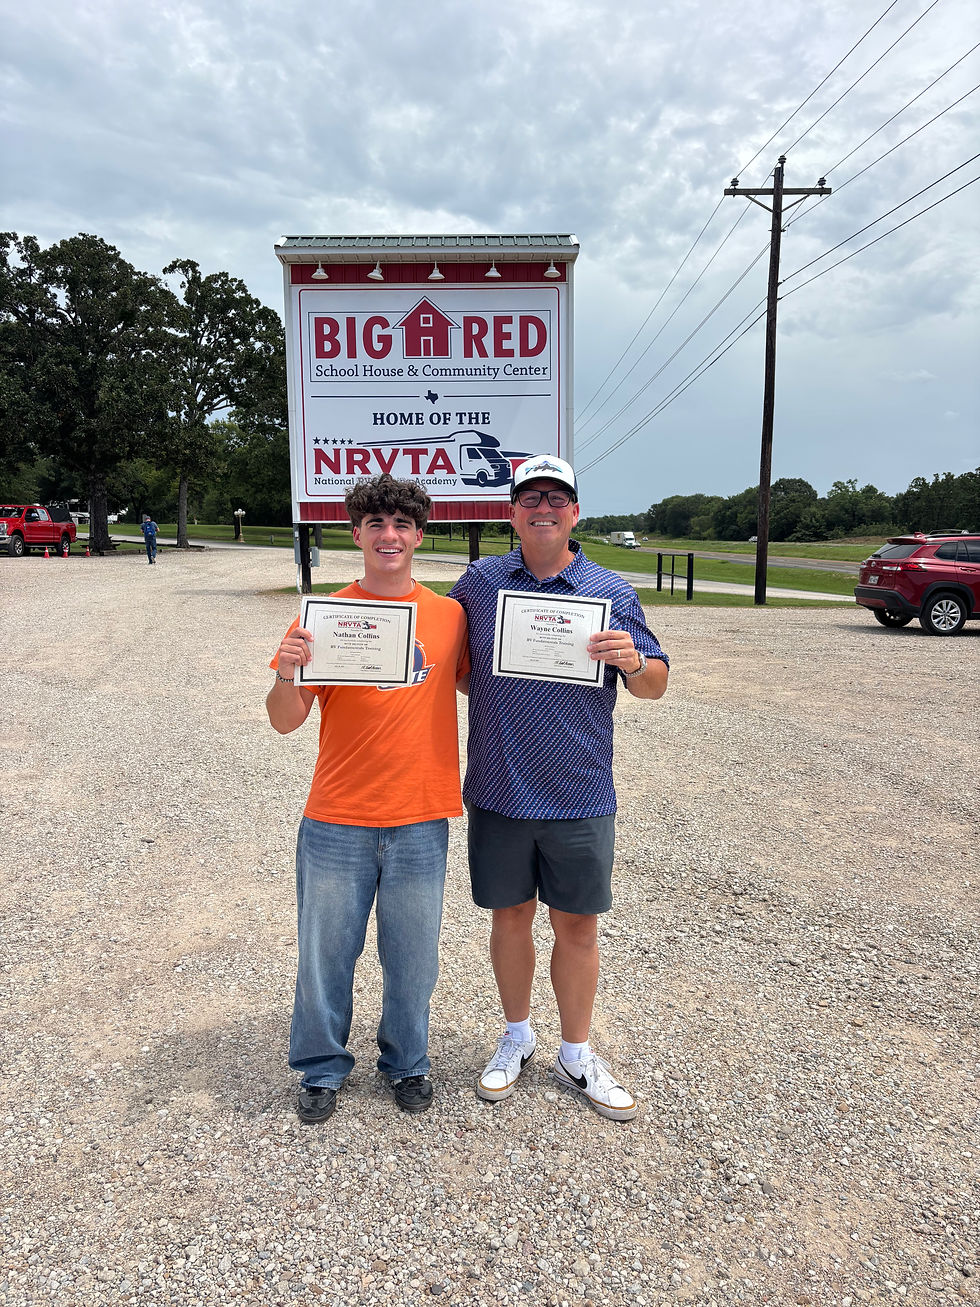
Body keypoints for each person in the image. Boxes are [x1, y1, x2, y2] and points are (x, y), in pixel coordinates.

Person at [449, 455, 669, 1122]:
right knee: (509, 916)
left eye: (556, 497)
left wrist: (632, 660)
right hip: (500, 787)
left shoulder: (610, 589)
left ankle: (576, 1051)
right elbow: (457, 668)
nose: (542, 507)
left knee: (577, 925)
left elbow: (655, 680)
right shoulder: (480, 583)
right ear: (512, 512)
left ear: (575, 511)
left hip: (578, 790)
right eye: (529, 497)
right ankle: (517, 1035)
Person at [267, 475, 469, 1124]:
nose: (390, 535)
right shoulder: (321, 615)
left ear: (419, 534)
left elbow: (481, 687)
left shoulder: (450, 616)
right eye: (376, 523)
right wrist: (287, 670)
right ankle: (321, 1068)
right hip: (336, 815)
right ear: (355, 533)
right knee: (324, 954)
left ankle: (407, 1060)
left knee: (414, 957)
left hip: (419, 815)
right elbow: (283, 719)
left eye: (402, 524)